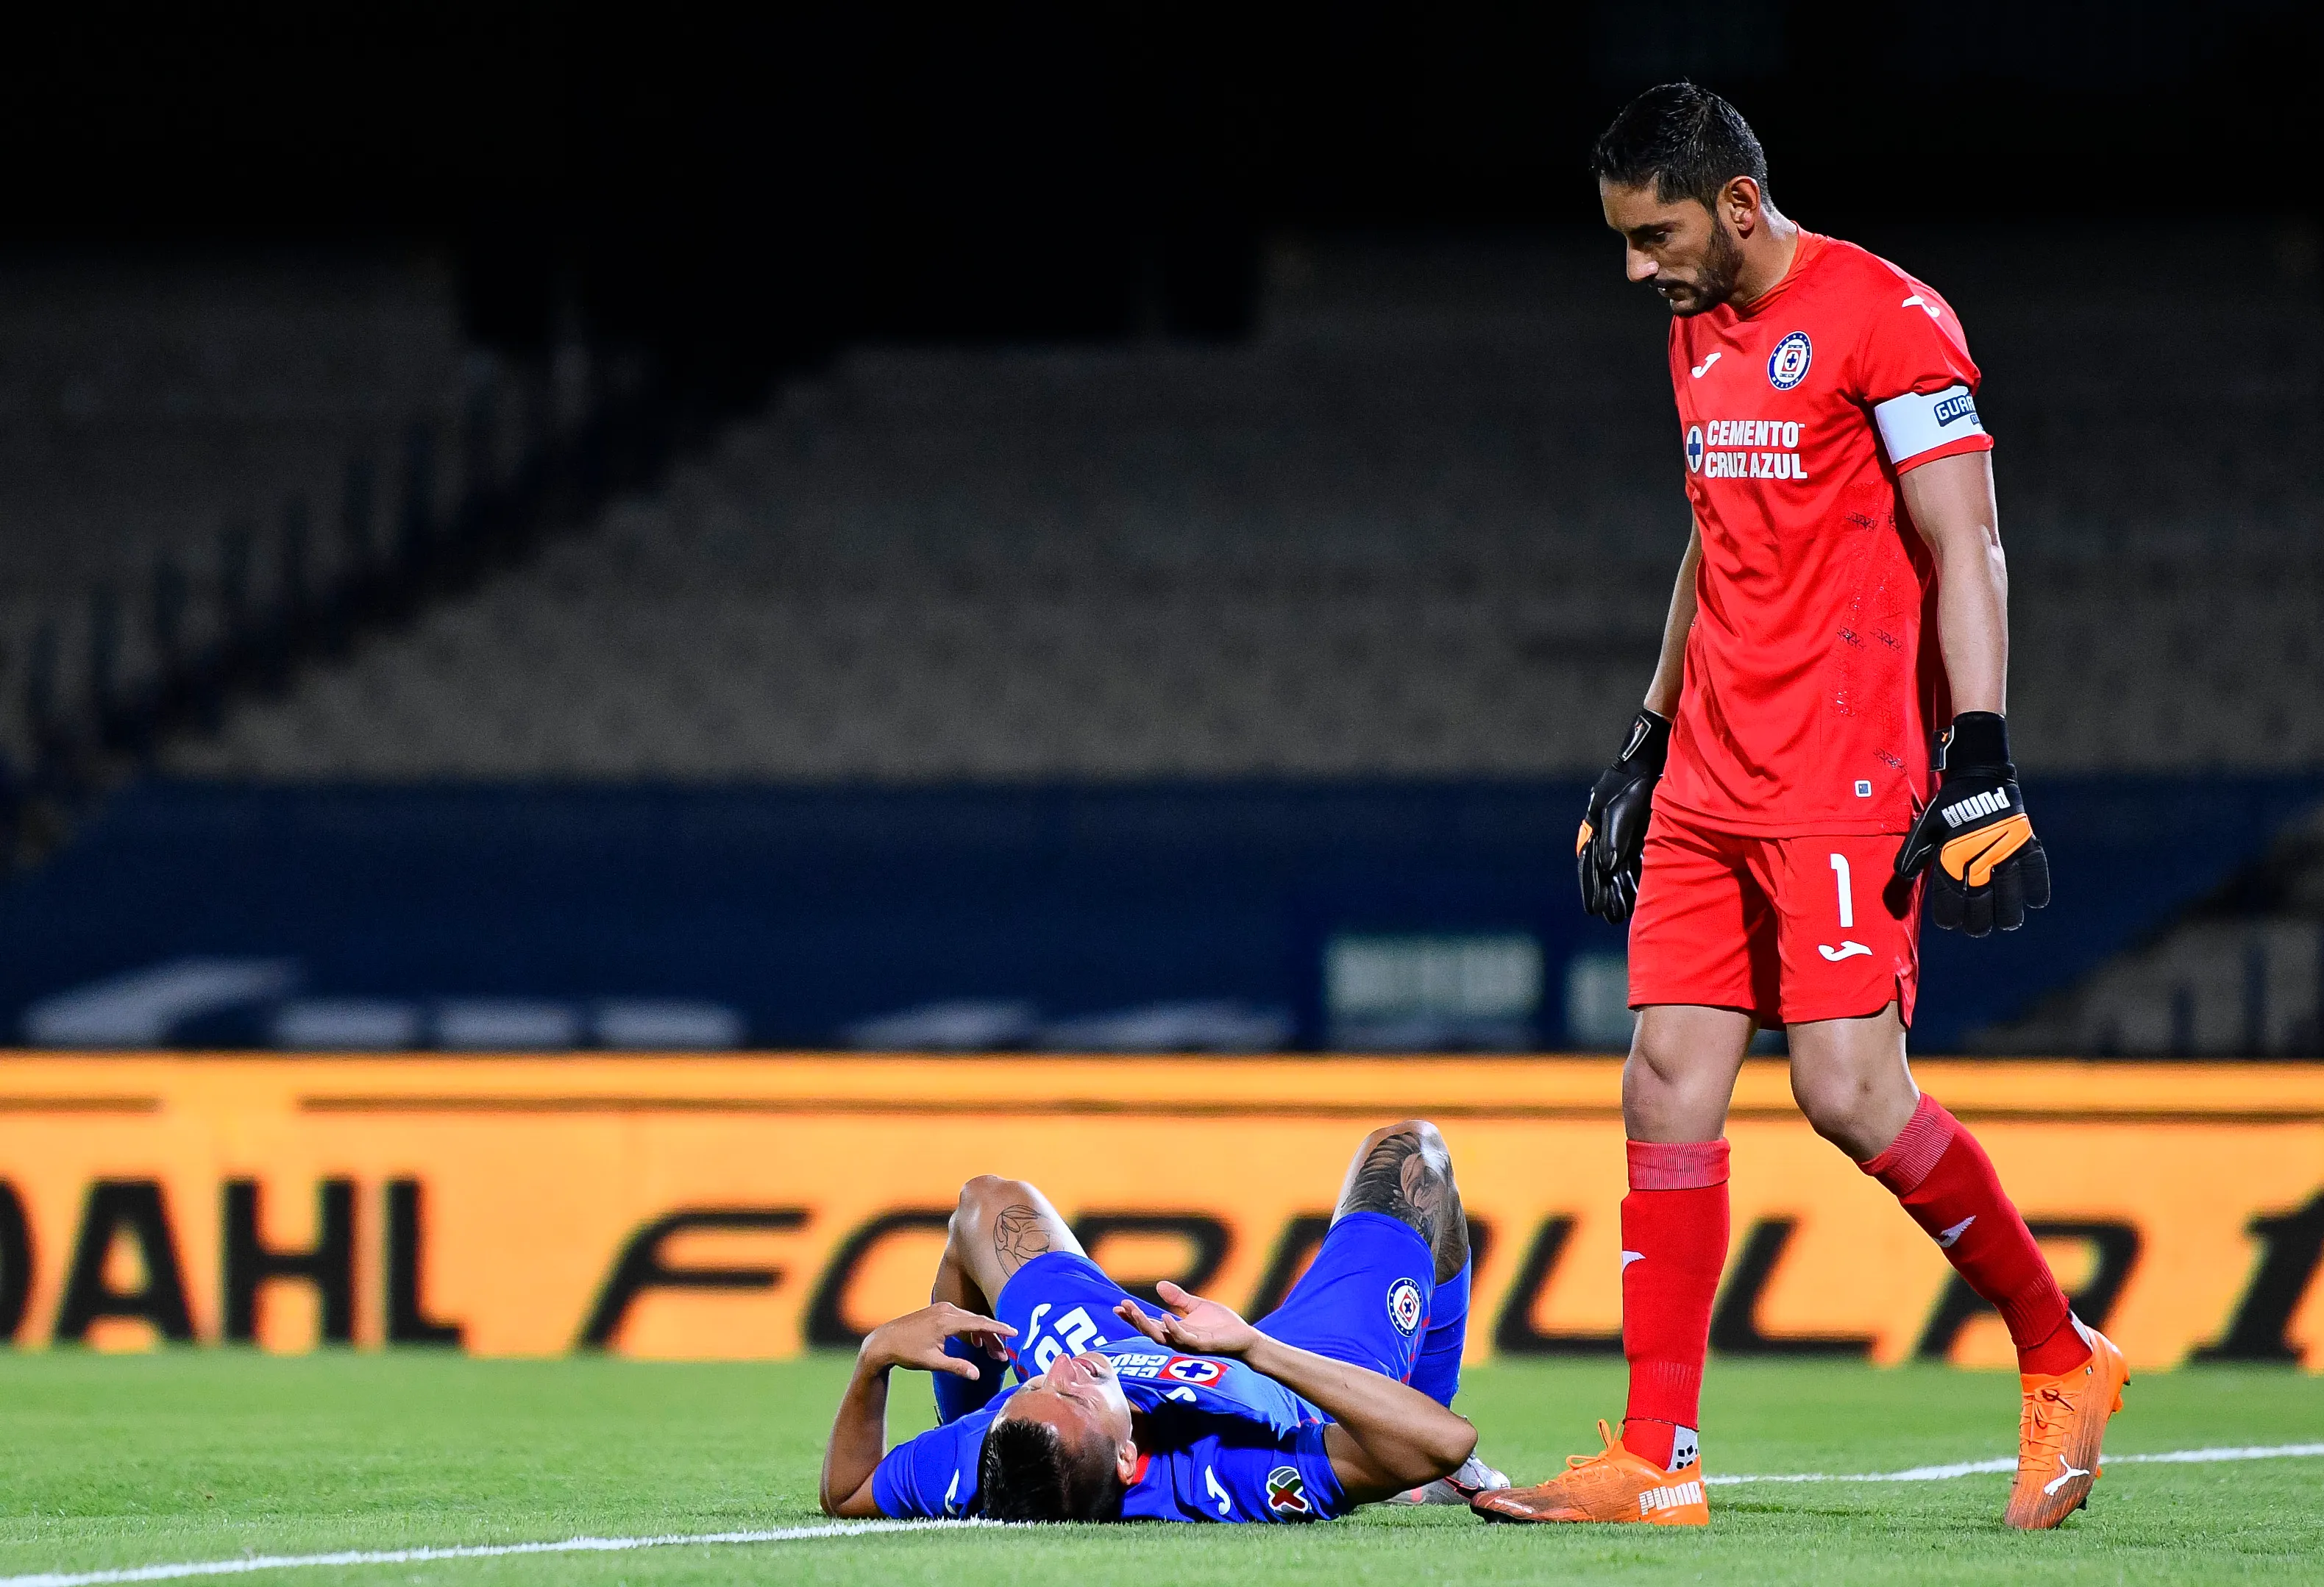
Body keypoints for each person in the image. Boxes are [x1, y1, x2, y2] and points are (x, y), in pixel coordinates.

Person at [1474, 84, 2125, 1533]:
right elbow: (1712, 536)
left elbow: (1971, 545)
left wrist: (1979, 754)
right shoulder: (1693, 332)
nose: (1636, 270)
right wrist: (1645, 740)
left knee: (1847, 1090)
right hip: (1711, 770)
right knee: (1662, 1077)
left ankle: (2059, 1350)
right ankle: (1657, 1458)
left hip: (1840, 771)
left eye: (1655, 236)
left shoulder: (1892, 318)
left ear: (1740, 206)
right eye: (1624, 244)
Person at [820, 1119, 1507, 1522]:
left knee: (984, 1205)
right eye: (1069, 1393)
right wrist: (1252, 1346)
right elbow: (1443, 1438)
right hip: (1304, 1375)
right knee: (1412, 1157)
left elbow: (846, 1489)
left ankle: (975, 1386)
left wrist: (874, 1357)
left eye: (1031, 1385)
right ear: (1127, 1459)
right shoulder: (1233, 1471)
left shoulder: (991, 1456)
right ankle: (1420, 1411)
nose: (1057, 1371)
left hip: (1121, 1339)